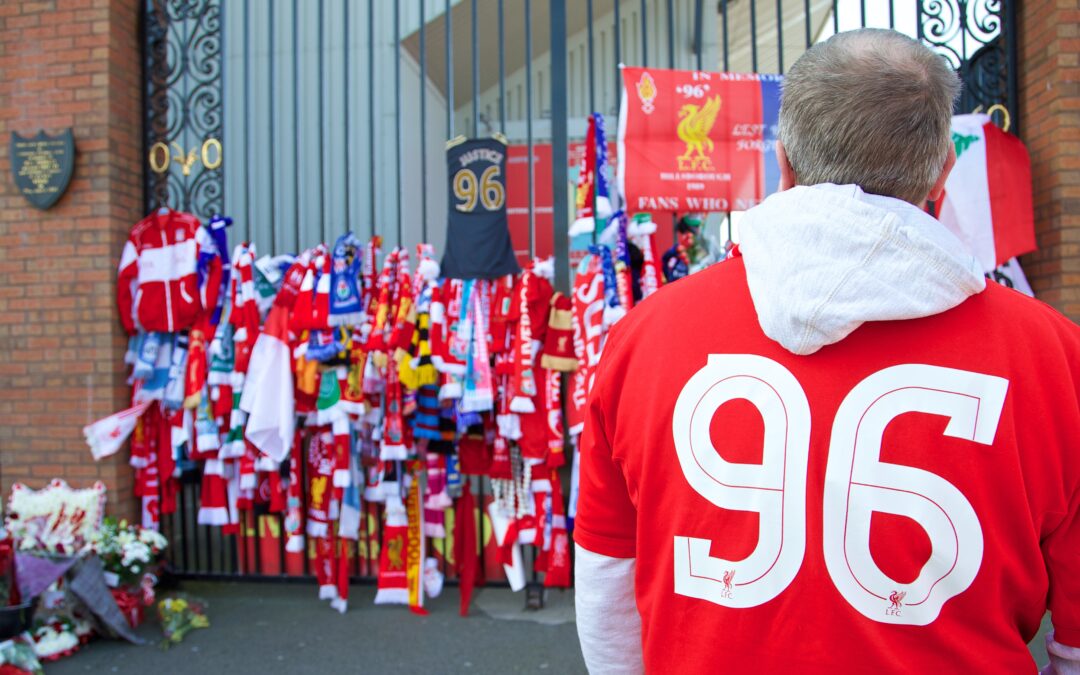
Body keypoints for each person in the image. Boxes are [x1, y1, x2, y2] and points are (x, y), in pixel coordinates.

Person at [574, 28, 1080, 674]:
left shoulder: (645, 338)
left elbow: (607, 588)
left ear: (783, 163)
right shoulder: (1056, 359)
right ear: (942, 172)